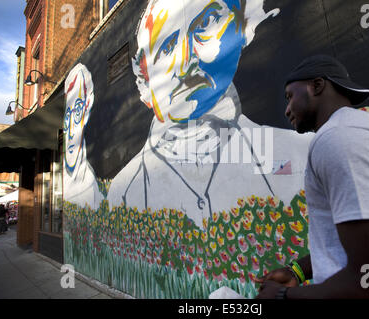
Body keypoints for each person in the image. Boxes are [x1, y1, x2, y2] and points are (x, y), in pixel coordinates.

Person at [107, 0, 313, 229]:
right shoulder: (122, 193)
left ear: (243, 26)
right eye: (166, 48)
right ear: (145, 80)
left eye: (206, 23)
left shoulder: (297, 153)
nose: (186, 63)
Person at [256, 54, 369, 299]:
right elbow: (361, 244)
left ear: (317, 85)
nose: (287, 109)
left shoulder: (340, 139)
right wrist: (298, 271)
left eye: (290, 96)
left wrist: (282, 296)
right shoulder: (351, 130)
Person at [63, 63, 102, 210]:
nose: (71, 130)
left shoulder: (95, 192)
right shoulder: (64, 183)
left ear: (88, 106)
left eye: (78, 111)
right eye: (67, 117)